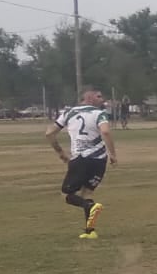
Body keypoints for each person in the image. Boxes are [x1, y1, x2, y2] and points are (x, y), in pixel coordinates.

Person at [46, 87, 116, 239]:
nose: (102, 99)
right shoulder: (100, 114)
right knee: (87, 192)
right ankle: (90, 231)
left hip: (80, 159)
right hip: (99, 160)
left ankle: (89, 207)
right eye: (99, 96)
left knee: (66, 195)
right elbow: (105, 131)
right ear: (89, 98)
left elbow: (50, 133)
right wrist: (113, 154)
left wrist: (60, 153)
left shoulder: (68, 113)